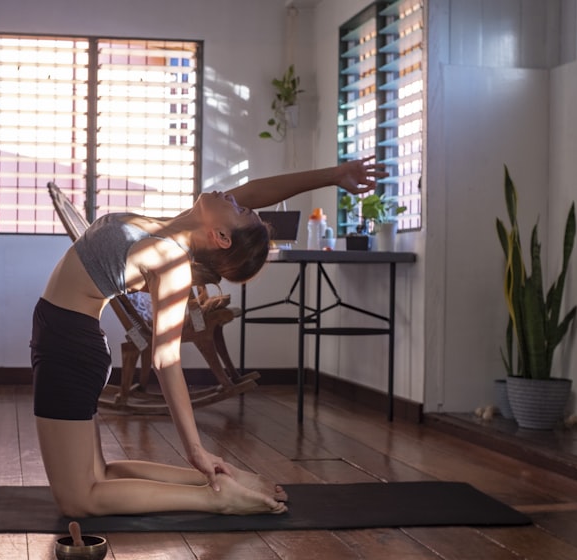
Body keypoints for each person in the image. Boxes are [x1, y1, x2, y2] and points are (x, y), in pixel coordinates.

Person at [31, 157, 387, 517]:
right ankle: (218, 481)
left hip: (69, 347)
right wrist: (333, 174)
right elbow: (256, 190)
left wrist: (195, 448)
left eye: (239, 209)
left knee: (79, 500)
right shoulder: (169, 229)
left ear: (220, 236)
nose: (235, 197)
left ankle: (216, 498)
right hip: (64, 337)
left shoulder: (170, 260)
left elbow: (165, 359)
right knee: (99, 475)